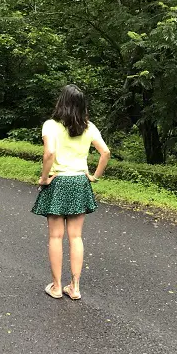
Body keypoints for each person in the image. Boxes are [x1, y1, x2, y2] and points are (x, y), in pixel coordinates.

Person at [32, 84, 110, 300]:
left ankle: (57, 287)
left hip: (58, 182)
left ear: (61, 102)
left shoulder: (51, 125)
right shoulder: (89, 127)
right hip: (79, 182)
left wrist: (44, 178)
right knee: (76, 236)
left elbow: (49, 153)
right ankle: (74, 287)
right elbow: (105, 152)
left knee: (55, 236)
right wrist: (94, 176)